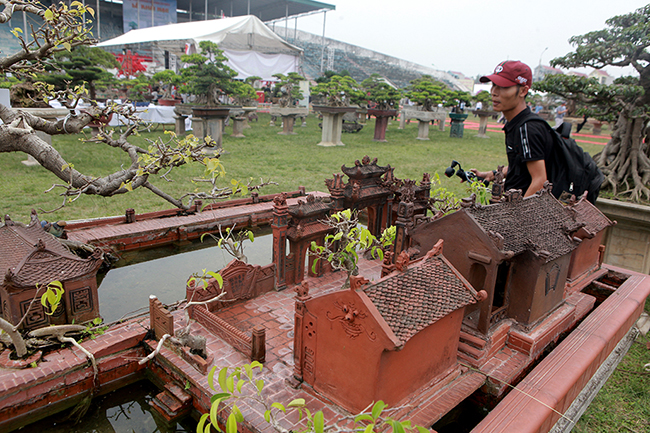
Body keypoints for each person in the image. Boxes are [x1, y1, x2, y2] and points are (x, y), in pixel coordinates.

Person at [470, 60, 554, 197]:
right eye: (494, 85)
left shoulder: (528, 128)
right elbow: (522, 164)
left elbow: (540, 181)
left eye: (503, 87)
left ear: (523, 91)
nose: (494, 92)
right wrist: (493, 174)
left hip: (530, 210)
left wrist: (516, 216)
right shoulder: (516, 124)